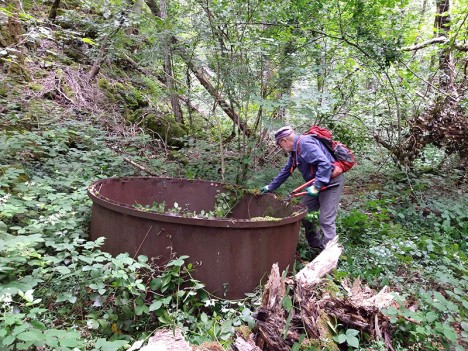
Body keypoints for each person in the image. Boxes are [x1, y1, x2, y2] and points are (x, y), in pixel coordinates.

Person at [261, 126, 345, 250]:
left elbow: (325, 164)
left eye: (280, 145)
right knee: (305, 213)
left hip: (331, 181)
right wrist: (271, 186)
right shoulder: (295, 152)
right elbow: (286, 170)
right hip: (318, 182)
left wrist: (316, 187)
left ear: (284, 140)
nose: (281, 148)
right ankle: (316, 247)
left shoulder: (305, 144)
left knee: (326, 219)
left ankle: (329, 255)